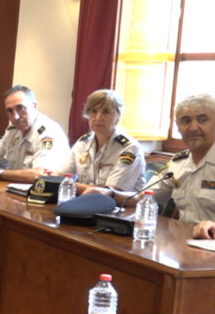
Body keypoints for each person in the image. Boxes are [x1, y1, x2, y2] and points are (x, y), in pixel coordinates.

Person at [86, 94, 215, 238]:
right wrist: (110, 193)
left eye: (203, 120)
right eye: (186, 121)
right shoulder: (178, 164)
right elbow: (142, 197)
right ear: (178, 127)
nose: (193, 127)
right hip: (187, 239)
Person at [52, 89, 145, 192]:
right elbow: (60, 176)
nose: (98, 118)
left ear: (118, 116)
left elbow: (109, 192)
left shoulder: (129, 148)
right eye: (94, 111)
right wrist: (49, 176)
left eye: (106, 112)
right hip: (84, 199)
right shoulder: (83, 143)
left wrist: (69, 184)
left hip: (116, 202)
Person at [0, 85, 70, 183]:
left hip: (43, 191)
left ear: (35, 106)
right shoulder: (12, 131)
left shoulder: (49, 133)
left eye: (20, 108)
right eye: (10, 111)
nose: (15, 116)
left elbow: (40, 176)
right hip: (14, 188)